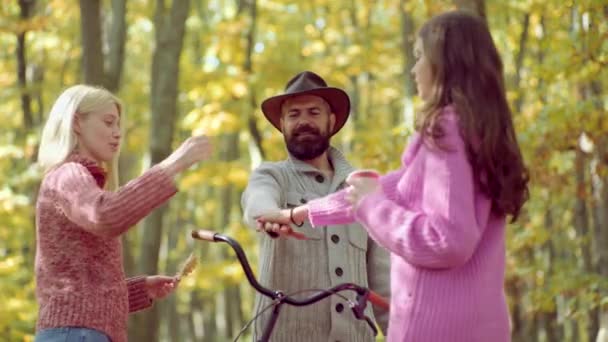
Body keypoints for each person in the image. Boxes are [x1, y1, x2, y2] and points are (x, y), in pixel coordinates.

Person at [257, 11, 530, 342]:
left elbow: (447, 241)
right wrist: (298, 213)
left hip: (436, 329)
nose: (414, 70)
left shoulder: (445, 130)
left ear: (446, 65)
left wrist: (371, 207)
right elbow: (388, 188)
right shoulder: (480, 133)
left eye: (419, 58)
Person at [34, 85, 212, 342]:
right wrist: (172, 165)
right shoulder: (67, 175)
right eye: (108, 123)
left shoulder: (80, 182)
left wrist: (139, 290)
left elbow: (82, 289)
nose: (117, 134)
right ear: (76, 123)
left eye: (118, 125)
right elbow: (104, 215)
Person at [241, 71, 390, 341]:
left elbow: (385, 284)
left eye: (313, 112)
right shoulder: (271, 176)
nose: (304, 121)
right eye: (294, 114)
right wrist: (272, 215)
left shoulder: (362, 188)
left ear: (331, 121)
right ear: (282, 125)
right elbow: (257, 202)